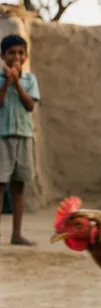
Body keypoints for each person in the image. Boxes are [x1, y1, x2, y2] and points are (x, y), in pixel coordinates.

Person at [0, 35, 40, 246]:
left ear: (25, 56)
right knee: (0, 184)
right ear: (3, 56)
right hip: (2, 137)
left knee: (19, 186)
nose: (16, 57)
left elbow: (30, 106)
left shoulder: (30, 80)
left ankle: (16, 234)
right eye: (11, 53)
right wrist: (7, 81)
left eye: (20, 53)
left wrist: (17, 82)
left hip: (24, 136)